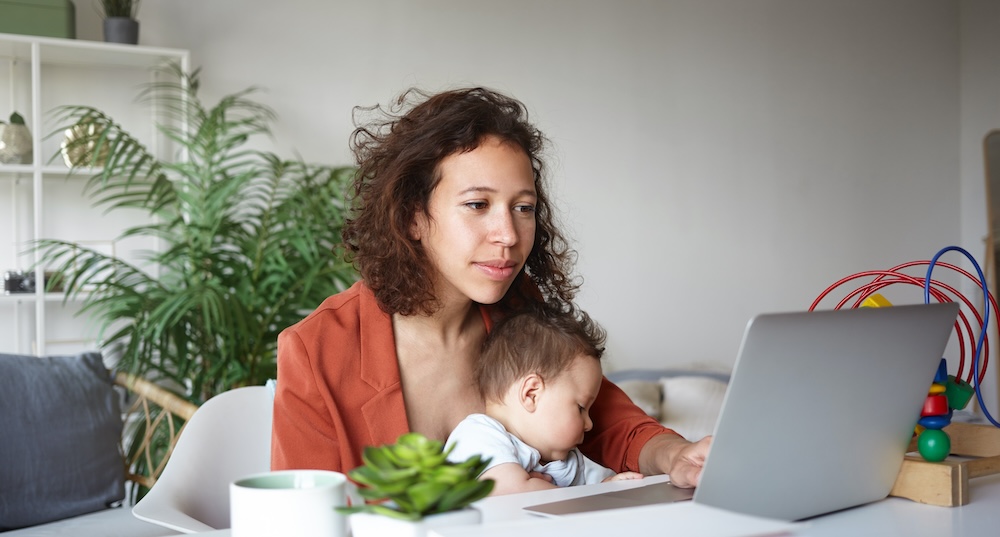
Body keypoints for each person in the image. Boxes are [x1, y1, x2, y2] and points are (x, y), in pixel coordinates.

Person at [270, 86, 711, 487]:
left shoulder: (519, 309)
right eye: (477, 204)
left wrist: (674, 455)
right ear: (412, 217)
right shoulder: (316, 351)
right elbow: (298, 515)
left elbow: (603, 419)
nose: (508, 235)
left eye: (523, 208)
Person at [445, 307, 643, 495]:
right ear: (531, 394)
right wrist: (583, 497)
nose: (589, 424)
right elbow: (511, 493)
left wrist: (604, 490)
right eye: (581, 408)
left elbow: (583, 504)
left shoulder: (568, 461)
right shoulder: (479, 435)